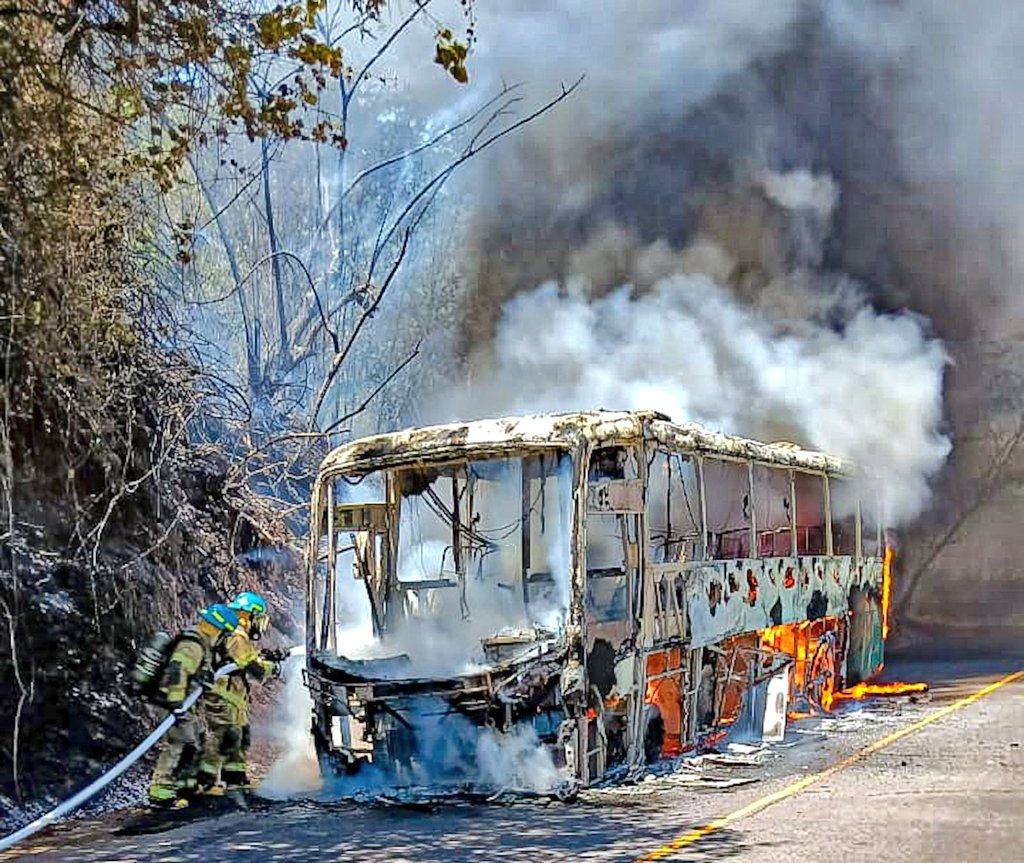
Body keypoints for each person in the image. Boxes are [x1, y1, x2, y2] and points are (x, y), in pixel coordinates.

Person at [147, 603, 240, 807]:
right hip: (172, 701)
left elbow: (197, 671)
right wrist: (176, 701)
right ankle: (161, 791)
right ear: (219, 629)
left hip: (181, 702)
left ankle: (186, 786)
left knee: (197, 737)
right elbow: (177, 670)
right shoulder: (193, 644)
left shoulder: (201, 642)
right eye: (225, 634)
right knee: (182, 741)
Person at [196, 591, 282, 793]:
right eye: (258, 618)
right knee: (222, 736)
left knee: (237, 735)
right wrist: (273, 668)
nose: (258, 624)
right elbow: (250, 665)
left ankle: (234, 778)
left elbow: (241, 659)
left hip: (231, 694)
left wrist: (266, 656)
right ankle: (204, 781)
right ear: (249, 614)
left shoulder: (234, 632)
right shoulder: (238, 633)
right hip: (223, 693)